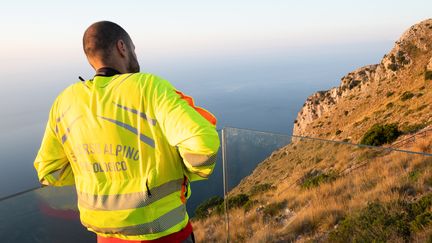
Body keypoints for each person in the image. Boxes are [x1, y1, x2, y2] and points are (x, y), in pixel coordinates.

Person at [33, 21, 220, 243]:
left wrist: (95, 168)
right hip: (166, 236)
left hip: (106, 237)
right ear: (122, 47)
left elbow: (49, 171)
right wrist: (185, 172)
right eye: (133, 48)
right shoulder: (148, 87)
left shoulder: (65, 102)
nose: (134, 54)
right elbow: (204, 146)